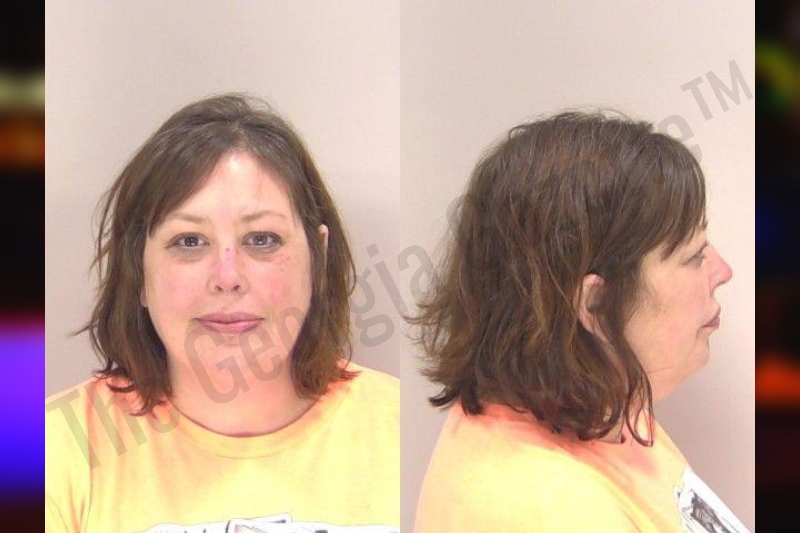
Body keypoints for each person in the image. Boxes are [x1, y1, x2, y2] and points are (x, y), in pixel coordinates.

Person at [45, 93, 399, 533]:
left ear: (319, 260)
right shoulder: (46, 452)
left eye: (262, 239)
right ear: (137, 272)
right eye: (189, 241)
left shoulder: (404, 430)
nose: (227, 277)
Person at [411, 111, 750, 532]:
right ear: (596, 304)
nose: (722, 271)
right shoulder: (548, 512)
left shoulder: (603, 404)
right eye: (694, 256)